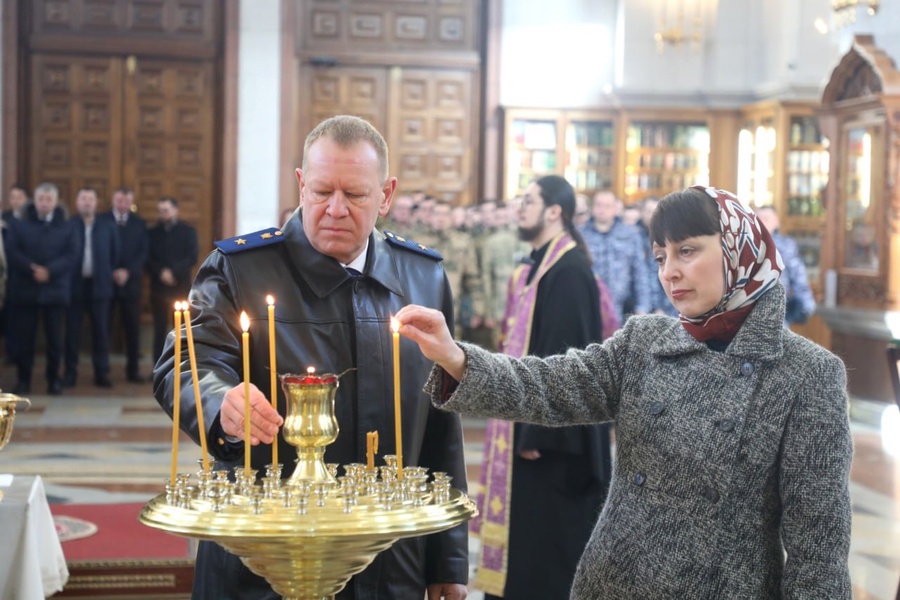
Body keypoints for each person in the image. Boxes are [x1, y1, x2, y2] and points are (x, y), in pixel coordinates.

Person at [397, 185, 853, 599]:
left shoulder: (807, 375)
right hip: (611, 584)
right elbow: (549, 385)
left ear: (739, 248)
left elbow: (818, 553)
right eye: (660, 258)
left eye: (687, 251)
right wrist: (454, 356)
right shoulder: (646, 342)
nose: (670, 273)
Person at [152, 115, 469, 599]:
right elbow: (186, 365)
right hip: (266, 553)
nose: (335, 209)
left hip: (388, 558)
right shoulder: (243, 269)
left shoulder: (423, 277)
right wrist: (220, 402)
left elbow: (441, 422)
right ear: (301, 185)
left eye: (355, 195)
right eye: (321, 192)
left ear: (386, 195)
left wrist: (448, 559)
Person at [473, 175, 611, 599]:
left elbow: (564, 361)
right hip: (535, 428)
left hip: (552, 444)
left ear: (555, 211)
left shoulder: (568, 272)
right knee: (531, 543)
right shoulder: (544, 265)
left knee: (547, 550)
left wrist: (537, 430)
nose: (520, 208)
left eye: (529, 201)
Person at [5, 182, 80, 395]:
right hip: (25, 289)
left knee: (55, 340)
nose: (44, 203)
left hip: (55, 290)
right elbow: (12, 250)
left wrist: (50, 271)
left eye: (49, 199)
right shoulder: (20, 224)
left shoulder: (67, 225)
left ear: (55, 202)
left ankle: (54, 379)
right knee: (24, 339)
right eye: (41, 199)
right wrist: (31, 269)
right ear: (34, 201)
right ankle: (23, 380)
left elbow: (72, 254)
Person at [64, 188, 120, 388]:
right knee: (72, 333)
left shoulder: (107, 226)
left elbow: (115, 254)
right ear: (77, 202)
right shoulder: (69, 225)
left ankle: (101, 373)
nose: (87, 202)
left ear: (96, 203)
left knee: (101, 333)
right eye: (83, 199)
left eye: (90, 199)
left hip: (100, 287)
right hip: (74, 287)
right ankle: (70, 373)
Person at [581, 190, 651, 322]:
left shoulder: (630, 234)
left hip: (620, 307)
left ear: (615, 209)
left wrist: (643, 307)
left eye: (607, 206)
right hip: (588, 305)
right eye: (599, 205)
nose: (602, 210)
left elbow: (640, 271)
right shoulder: (581, 235)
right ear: (592, 208)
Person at [147, 196, 199, 363]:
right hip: (159, 288)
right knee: (159, 329)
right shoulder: (152, 233)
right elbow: (148, 258)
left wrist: (173, 273)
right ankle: (159, 367)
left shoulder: (188, 232)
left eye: (166, 210)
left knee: (183, 329)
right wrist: (161, 272)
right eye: (161, 211)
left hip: (180, 287)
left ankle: (184, 365)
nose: (163, 214)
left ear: (175, 210)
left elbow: (192, 256)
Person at [105, 187, 149, 383]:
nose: (122, 204)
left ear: (130, 203)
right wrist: (112, 271)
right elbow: (99, 249)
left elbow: (143, 252)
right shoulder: (102, 221)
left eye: (126, 201)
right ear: (113, 201)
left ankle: (133, 371)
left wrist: (127, 271)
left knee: (132, 330)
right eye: (119, 200)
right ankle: (102, 372)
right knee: (103, 329)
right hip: (106, 283)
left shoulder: (139, 224)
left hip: (131, 284)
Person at [756, 206, 816, 326]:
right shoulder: (745, 243)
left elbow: (798, 275)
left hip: (777, 310)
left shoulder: (786, 246)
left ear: (776, 222)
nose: (761, 222)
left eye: (766, 219)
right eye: (758, 218)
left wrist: (806, 305)